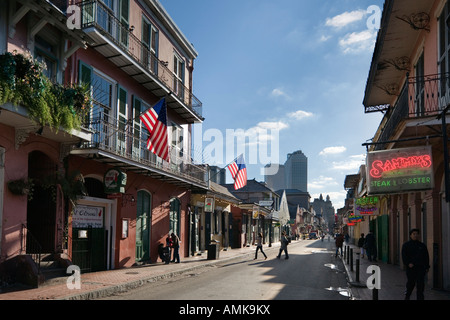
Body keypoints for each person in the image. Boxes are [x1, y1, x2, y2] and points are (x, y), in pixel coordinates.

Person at [402, 229, 430, 300]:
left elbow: (426, 256)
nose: (415, 235)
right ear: (410, 235)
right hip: (411, 268)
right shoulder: (406, 245)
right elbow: (404, 256)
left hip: (420, 268)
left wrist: (427, 266)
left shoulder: (422, 246)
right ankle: (407, 296)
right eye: (413, 234)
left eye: (417, 234)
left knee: (420, 285)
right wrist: (408, 263)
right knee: (411, 284)